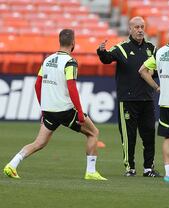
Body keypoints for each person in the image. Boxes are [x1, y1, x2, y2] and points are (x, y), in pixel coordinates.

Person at [3, 29, 106, 180]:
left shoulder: (47, 59)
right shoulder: (70, 62)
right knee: (93, 133)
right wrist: (79, 111)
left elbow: (37, 85)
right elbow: (71, 87)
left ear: (59, 41)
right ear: (73, 43)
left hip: (49, 110)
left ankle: (12, 164)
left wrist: (43, 110)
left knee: (39, 142)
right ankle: (91, 171)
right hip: (65, 109)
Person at [97, 17, 160, 177]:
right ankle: (130, 168)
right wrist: (101, 51)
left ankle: (148, 168)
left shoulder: (151, 48)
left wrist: (154, 74)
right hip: (128, 100)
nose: (140, 30)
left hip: (147, 99)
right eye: (136, 27)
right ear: (130, 29)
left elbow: (158, 71)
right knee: (129, 136)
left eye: (142, 27)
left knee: (149, 135)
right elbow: (107, 59)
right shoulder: (122, 48)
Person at [139, 20, 169, 182]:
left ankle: (168, 173)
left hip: (165, 101)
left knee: (168, 138)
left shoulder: (159, 52)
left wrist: (156, 87)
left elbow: (143, 71)